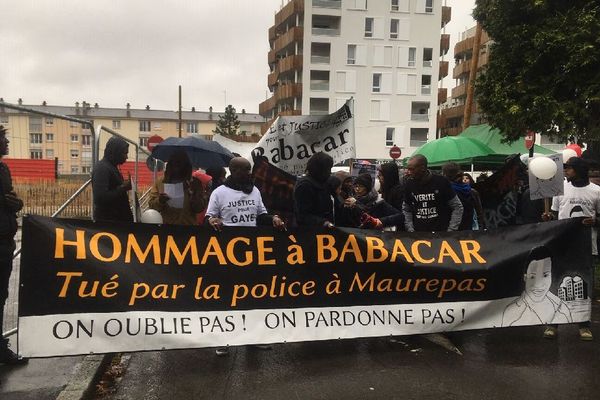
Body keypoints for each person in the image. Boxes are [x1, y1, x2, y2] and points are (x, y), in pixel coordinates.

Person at [205, 157, 285, 356]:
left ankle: (253, 338)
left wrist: (273, 218)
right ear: (232, 171)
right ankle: (224, 340)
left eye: (249, 169)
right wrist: (212, 220)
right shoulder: (219, 192)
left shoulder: (255, 190)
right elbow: (209, 217)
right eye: (244, 170)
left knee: (252, 295)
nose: (249, 173)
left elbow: (260, 215)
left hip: (251, 250)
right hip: (228, 252)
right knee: (227, 296)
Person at [541, 156, 598, 340]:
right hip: (562, 243)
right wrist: (548, 217)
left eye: (569, 168)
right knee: (557, 282)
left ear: (580, 170)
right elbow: (556, 215)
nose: (565, 171)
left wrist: (595, 221)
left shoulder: (596, 191)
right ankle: (553, 324)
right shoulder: (560, 190)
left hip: (586, 245)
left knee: (584, 283)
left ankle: (583, 326)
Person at [0, 125, 26, 365]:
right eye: (3, 139)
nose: (7, 142)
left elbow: (11, 199)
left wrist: (15, 203)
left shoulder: (3, 169)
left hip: (5, 241)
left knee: (2, 295)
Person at [502, 246, 572, 327]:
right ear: (525, 277)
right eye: (532, 277)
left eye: (545, 275)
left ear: (551, 276)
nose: (538, 285)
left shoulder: (562, 308)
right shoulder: (511, 313)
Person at [402, 155, 463, 232]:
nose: (409, 172)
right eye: (408, 169)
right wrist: (410, 229)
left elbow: (457, 206)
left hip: (440, 235)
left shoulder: (441, 182)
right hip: (418, 235)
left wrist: (451, 230)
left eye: (412, 169)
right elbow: (406, 209)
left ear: (423, 168)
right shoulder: (409, 184)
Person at [148, 150, 207, 225]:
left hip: (188, 227)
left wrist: (193, 195)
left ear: (186, 166)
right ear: (170, 165)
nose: (177, 168)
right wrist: (160, 200)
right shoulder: (160, 182)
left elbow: (199, 208)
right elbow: (152, 206)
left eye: (180, 164)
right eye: (175, 164)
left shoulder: (194, 183)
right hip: (167, 227)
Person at [91, 136, 133, 222]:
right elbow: (100, 198)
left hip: (116, 222)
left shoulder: (111, 166)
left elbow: (113, 188)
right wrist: (123, 188)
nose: (126, 157)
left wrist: (123, 186)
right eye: (124, 153)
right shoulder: (102, 168)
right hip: (108, 225)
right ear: (115, 152)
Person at [294, 152, 335, 228]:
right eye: (328, 169)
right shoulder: (305, 185)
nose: (330, 172)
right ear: (320, 169)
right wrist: (323, 222)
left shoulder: (325, 182)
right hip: (311, 232)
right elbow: (302, 215)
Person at [442, 163, 476, 231]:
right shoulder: (471, 191)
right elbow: (478, 212)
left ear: (445, 175)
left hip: (451, 228)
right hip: (467, 227)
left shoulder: (447, 190)